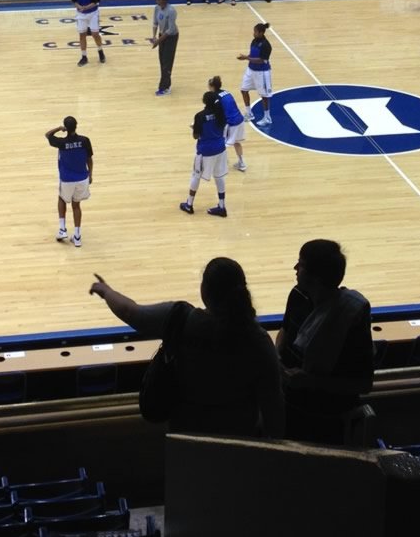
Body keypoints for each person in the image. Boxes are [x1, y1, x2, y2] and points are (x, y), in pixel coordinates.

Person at [88, 260, 283, 438]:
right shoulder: (259, 341)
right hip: (238, 444)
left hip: (186, 438)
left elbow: (131, 312)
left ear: (204, 291)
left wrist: (106, 291)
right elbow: (273, 409)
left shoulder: (181, 320)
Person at [277, 239, 373, 445]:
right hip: (288, 409)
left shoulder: (352, 319)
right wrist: (276, 359)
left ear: (316, 278)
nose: (295, 268)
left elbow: (363, 384)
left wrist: (311, 382)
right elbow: (284, 330)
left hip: (327, 424)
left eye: (300, 265)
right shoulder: (297, 295)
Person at [47, 116, 94, 247]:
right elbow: (89, 159)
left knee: (62, 199)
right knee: (76, 206)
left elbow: (48, 135)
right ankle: (77, 236)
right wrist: (90, 174)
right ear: (76, 126)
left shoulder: (61, 143)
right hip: (82, 178)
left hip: (67, 179)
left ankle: (62, 229)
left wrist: (58, 128)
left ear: (66, 128)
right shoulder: (85, 141)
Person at [181, 92, 229, 217]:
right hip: (220, 149)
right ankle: (222, 206)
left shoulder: (200, 116)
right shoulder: (221, 113)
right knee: (219, 177)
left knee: (196, 176)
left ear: (204, 101)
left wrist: (194, 128)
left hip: (206, 151)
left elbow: (196, 136)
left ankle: (189, 204)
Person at [238, 21, 275, 127]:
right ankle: (249, 113)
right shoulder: (254, 40)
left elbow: (261, 60)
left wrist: (246, 58)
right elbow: (253, 54)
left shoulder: (266, 45)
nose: (253, 33)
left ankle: (267, 117)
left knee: (264, 96)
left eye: (255, 32)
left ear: (261, 33)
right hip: (251, 70)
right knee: (244, 90)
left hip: (262, 72)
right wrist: (246, 57)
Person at [209, 75, 248, 173]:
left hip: (231, 122)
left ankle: (221, 164)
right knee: (236, 142)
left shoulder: (215, 97)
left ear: (212, 87)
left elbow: (217, 112)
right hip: (239, 119)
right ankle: (242, 163)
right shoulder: (226, 92)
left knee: (222, 143)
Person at [72, 0, 105, 66]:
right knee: (82, 35)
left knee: (95, 34)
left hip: (93, 13)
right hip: (81, 14)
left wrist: (86, 7)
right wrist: (78, 6)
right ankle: (84, 57)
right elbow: (74, 0)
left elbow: (96, 1)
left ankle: (100, 51)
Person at [151, 0, 179, 96]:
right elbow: (155, 23)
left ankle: (165, 87)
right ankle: (164, 84)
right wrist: (154, 37)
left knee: (167, 62)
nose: (156, 1)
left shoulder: (171, 11)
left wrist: (158, 41)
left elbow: (170, 30)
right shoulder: (156, 8)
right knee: (162, 61)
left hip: (171, 37)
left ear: (164, 0)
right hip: (161, 36)